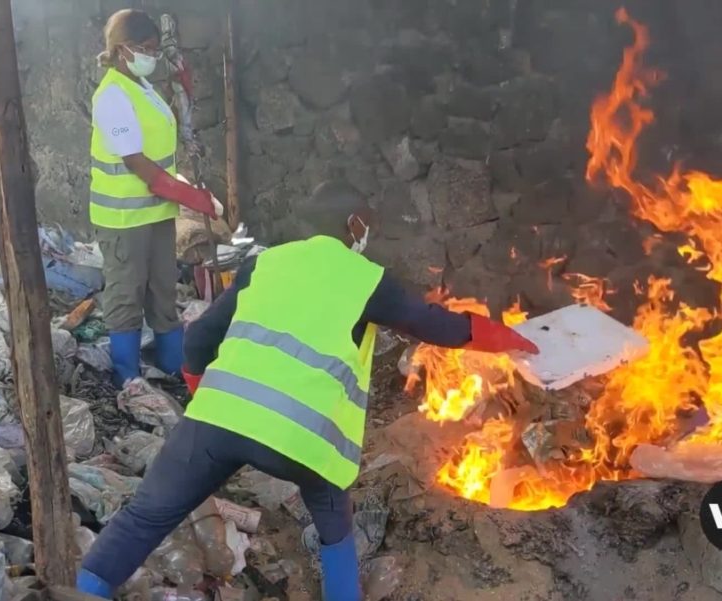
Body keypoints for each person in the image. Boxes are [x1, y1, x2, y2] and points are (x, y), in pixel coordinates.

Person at [75, 181, 539, 600]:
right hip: (305, 441)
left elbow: (196, 341)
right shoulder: (367, 279)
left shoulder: (265, 264)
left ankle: (81, 590)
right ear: (354, 225)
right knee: (336, 532)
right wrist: (510, 338)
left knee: (143, 519)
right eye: (367, 226)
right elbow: (442, 327)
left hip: (218, 421)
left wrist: (205, 399)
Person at [90, 9, 223, 386]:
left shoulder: (141, 87)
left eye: (152, 49)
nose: (150, 55)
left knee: (164, 290)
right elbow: (138, 164)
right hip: (123, 220)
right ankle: (127, 378)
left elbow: (159, 137)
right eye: (142, 48)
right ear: (120, 50)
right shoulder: (112, 95)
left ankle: (173, 368)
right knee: (126, 296)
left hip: (156, 213)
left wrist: (184, 87)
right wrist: (190, 197)